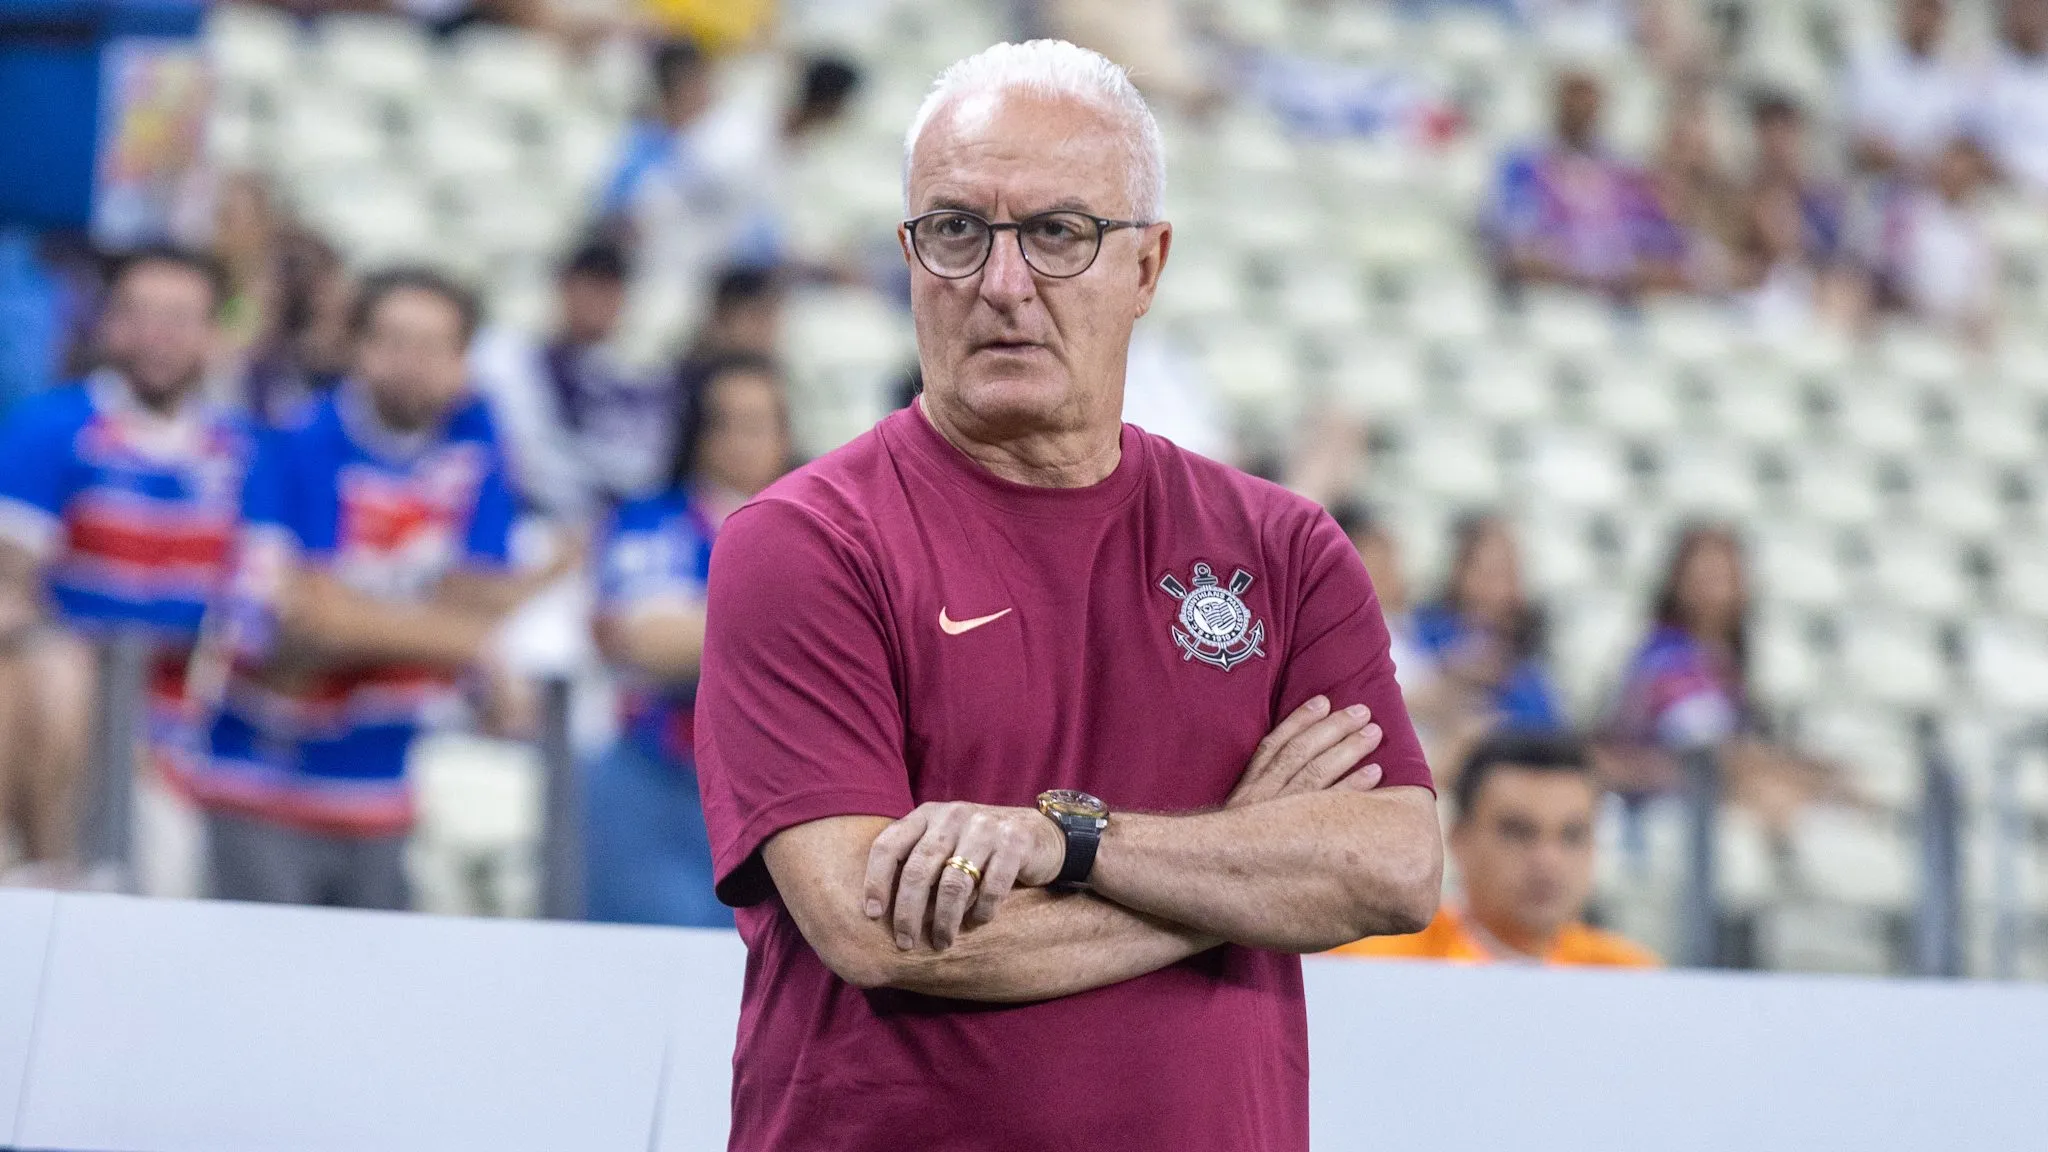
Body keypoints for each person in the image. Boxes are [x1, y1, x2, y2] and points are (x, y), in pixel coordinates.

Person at [693, 40, 1441, 1152]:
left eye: (1057, 233)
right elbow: (876, 929)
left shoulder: (1282, 549)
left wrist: (1069, 845)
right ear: (908, 258)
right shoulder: (803, 545)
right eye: (955, 231)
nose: (1001, 284)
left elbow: (1391, 868)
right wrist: (1240, 862)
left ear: (1146, 266)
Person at [183, 268, 561, 909]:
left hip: (390, 790)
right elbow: (302, 625)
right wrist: (459, 630)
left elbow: (472, 606)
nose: (411, 364)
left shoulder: (478, 456)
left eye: (433, 347)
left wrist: (371, 615)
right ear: (357, 348)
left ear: (461, 362)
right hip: (264, 783)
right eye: (393, 341)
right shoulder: (296, 444)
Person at [0, 248, 252, 885]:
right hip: (69, 724)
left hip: (195, 735)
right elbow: (9, 583)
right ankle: (49, 869)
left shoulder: (246, 449)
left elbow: (267, 595)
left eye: (178, 318)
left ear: (212, 333)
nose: (156, 338)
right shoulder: (50, 428)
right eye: (137, 315)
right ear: (107, 324)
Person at [587, 355, 793, 927]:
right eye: (725, 423)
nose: (743, 442)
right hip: (657, 779)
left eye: (761, 424)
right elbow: (649, 642)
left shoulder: (819, 526)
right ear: (695, 432)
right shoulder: (651, 519)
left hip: (773, 788)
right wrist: (800, 632)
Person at [1603, 524, 1856, 838]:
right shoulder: (1666, 659)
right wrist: (1794, 772)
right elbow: (1711, 754)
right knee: (1776, 797)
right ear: (1678, 583)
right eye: (1705, 576)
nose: (1715, 589)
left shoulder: (1728, 665)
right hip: (1667, 801)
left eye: (1724, 577)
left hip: (1708, 794)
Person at [1332, 732, 1658, 967]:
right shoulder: (1376, 966)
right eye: (1519, 832)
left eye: (1572, 835)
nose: (1548, 860)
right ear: (1458, 838)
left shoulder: (1627, 976)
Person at [470, 240, 676, 518]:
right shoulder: (508, 358)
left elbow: (644, 471)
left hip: (608, 528)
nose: (595, 304)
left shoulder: (641, 381)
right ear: (562, 288)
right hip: (524, 516)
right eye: (586, 288)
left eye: (608, 292)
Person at [1486, 69, 1686, 299]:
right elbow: (1513, 237)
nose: (1582, 106)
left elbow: (1657, 234)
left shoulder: (1622, 169)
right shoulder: (1524, 163)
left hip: (1621, 287)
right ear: (1557, 101)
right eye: (1574, 96)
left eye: (1589, 98)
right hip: (1552, 285)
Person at [1411, 513, 1567, 756]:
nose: (1497, 590)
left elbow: (1549, 738)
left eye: (1509, 574)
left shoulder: (1526, 667)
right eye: (1488, 572)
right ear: (1459, 571)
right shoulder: (1416, 631)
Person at [1867, 135, 1997, 344]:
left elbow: (1984, 286)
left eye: (1966, 173)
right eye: (1953, 169)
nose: (1958, 177)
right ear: (1941, 168)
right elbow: (1887, 272)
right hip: (1908, 322)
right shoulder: (1908, 213)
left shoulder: (1982, 225)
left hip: (1959, 330)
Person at [1844, 0, 1976, 177]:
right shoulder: (1870, 63)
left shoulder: (1958, 75)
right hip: (1875, 185)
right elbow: (1863, 144)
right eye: (1920, 8)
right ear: (1904, 9)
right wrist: (1915, 161)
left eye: (1933, 11)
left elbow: (1963, 148)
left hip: (1937, 190)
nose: (1925, 19)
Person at [1975, 0, 2048, 195]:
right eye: (2021, 7)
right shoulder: (1982, 69)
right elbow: (1970, 143)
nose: (2028, 16)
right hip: (1997, 196)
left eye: (2035, 8)